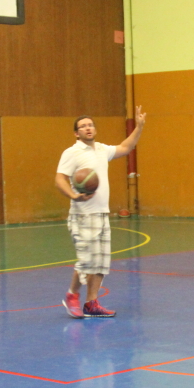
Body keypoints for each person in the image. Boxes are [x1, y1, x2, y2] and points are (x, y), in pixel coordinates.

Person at [56, 108, 147, 318]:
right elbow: (60, 178)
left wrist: (139, 126)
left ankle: (91, 303)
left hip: (102, 215)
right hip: (83, 215)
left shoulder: (102, 149)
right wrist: (74, 195)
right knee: (87, 260)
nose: (88, 128)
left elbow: (126, 147)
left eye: (90, 125)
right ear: (76, 133)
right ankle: (71, 296)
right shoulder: (72, 153)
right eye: (83, 126)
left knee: (101, 263)